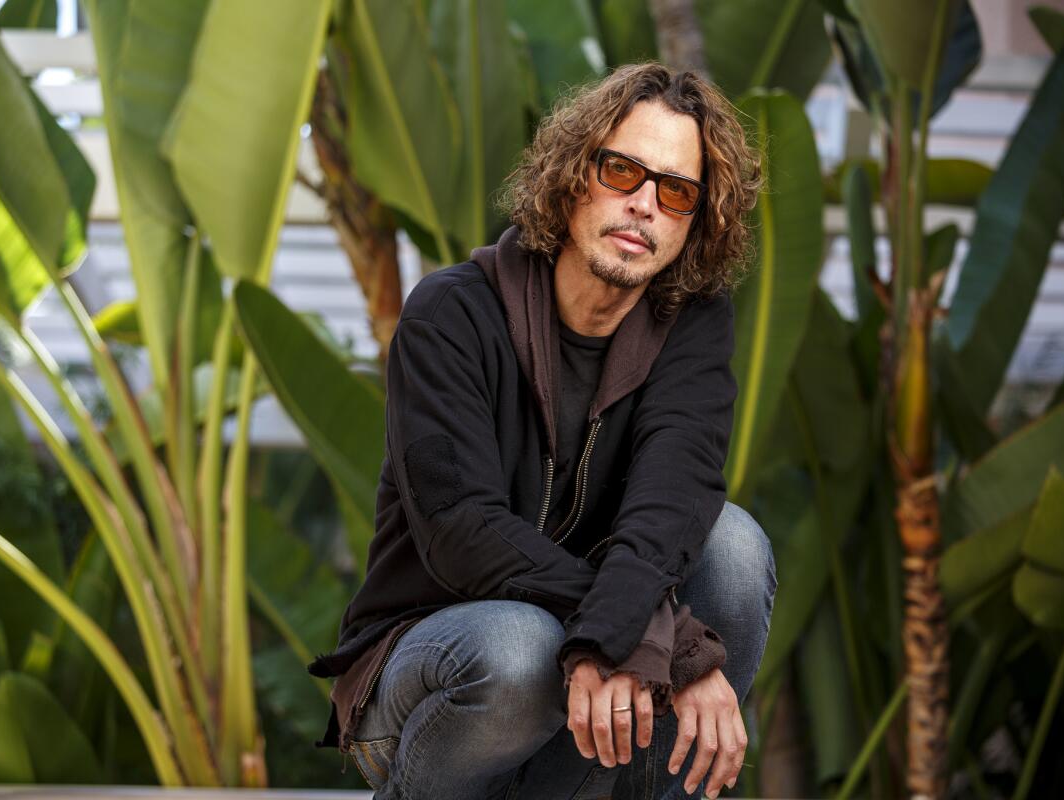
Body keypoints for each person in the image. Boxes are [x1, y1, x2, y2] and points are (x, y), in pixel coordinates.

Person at [308, 62, 776, 799]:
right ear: (573, 174)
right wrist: (667, 643)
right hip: (434, 663)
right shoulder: (451, 314)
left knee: (734, 548)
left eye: (676, 191)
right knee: (526, 649)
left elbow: (671, 503)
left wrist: (613, 633)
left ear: (697, 222)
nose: (645, 204)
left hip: (596, 666)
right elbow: (462, 530)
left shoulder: (689, 327)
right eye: (622, 170)